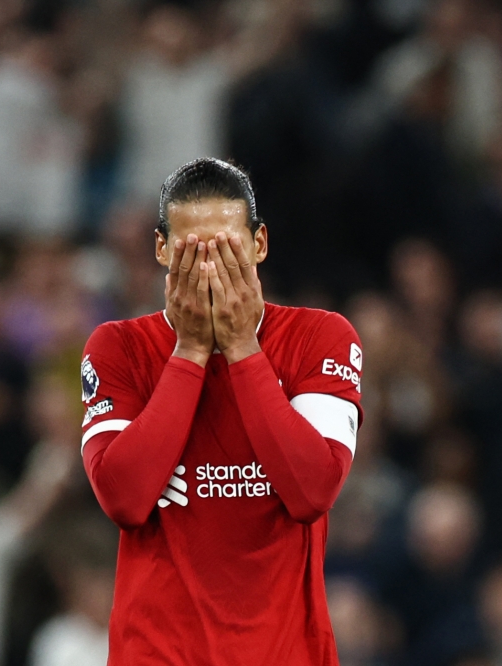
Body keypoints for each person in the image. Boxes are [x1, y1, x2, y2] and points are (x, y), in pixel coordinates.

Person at [79, 157, 364, 664]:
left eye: (227, 249)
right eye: (192, 250)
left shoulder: (320, 337)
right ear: (162, 249)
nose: (210, 267)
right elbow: (123, 499)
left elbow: (313, 490)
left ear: (259, 243)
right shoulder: (117, 347)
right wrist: (189, 350)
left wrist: (240, 347)